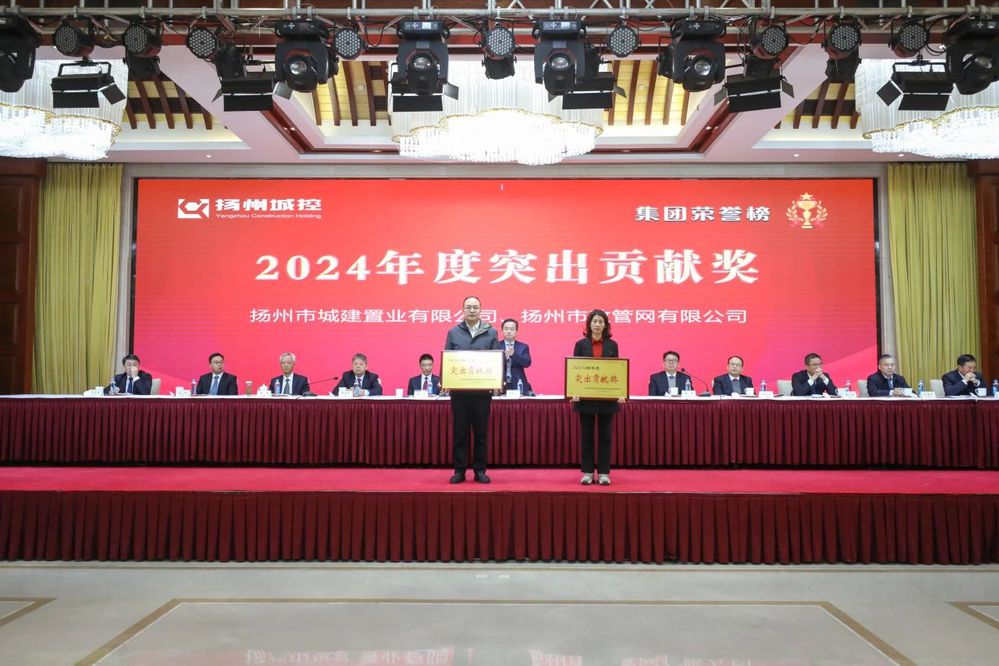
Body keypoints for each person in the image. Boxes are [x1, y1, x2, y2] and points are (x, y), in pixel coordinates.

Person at [444, 296, 500, 484]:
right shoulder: (453, 332)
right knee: (460, 434)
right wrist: (446, 380)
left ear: (481, 309)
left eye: (475, 307)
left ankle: (480, 471)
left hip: (482, 393)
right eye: (468, 307)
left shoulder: (491, 332)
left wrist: (497, 381)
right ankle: (459, 471)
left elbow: (497, 360)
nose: (472, 310)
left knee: (481, 434)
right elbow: (448, 358)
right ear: (463, 309)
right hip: (459, 393)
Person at [571, 309, 624, 486]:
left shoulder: (612, 345)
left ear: (605, 325)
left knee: (605, 436)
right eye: (594, 321)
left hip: (606, 399)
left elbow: (617, 371)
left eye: (601, 321)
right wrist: (574, 391)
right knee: (586, 436)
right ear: (589, 324)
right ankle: (587, 472)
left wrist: (619, 392)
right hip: (585, 398)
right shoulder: (580, 344)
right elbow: (575, 370)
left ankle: (603, 473)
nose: (597, 324)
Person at [500, 318, 533, 395]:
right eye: (506, 329)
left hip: (518, 383)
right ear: (502, 330)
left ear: (516, 331)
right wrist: (504, 357)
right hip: (501, 385)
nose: (509, 331)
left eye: (512, 329)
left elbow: (527, 363)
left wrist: (514, 354)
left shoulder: (523, 347)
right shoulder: (496, 346)